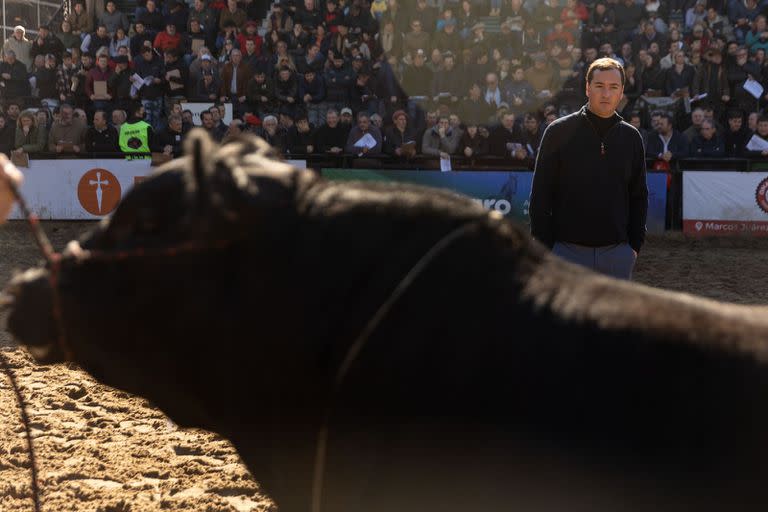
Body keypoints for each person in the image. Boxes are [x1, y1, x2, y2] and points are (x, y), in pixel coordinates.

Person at [530, 58, 648, 280]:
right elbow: (540, 194)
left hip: (617, 255)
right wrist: (546, 247)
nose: (606, 94)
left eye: (613, 87)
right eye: (599, 86)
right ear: (587, 88)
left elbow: (639, 196)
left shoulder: (632, 138)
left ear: (621, 92)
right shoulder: (558, 132)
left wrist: (634, 246)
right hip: (565, 254)